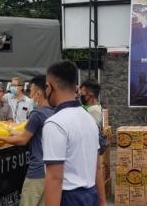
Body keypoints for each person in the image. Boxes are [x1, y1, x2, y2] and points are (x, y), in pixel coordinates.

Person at [42, 60, 106, 206]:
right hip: (91, 196)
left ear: (51, 86)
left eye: (46, 86)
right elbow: (97, 167)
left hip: (69, 198)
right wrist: (102, 202)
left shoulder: (55, 123)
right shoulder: (89, 119)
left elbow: (55, 178)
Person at [0, 75, 54, 206]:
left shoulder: (36, 114)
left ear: (38, 93)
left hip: (36, 172)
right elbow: (33, 133)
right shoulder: (52, 112)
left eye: (31, 91)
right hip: (50, 171)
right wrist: (11, 131)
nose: (30, 95)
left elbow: (23, 140)